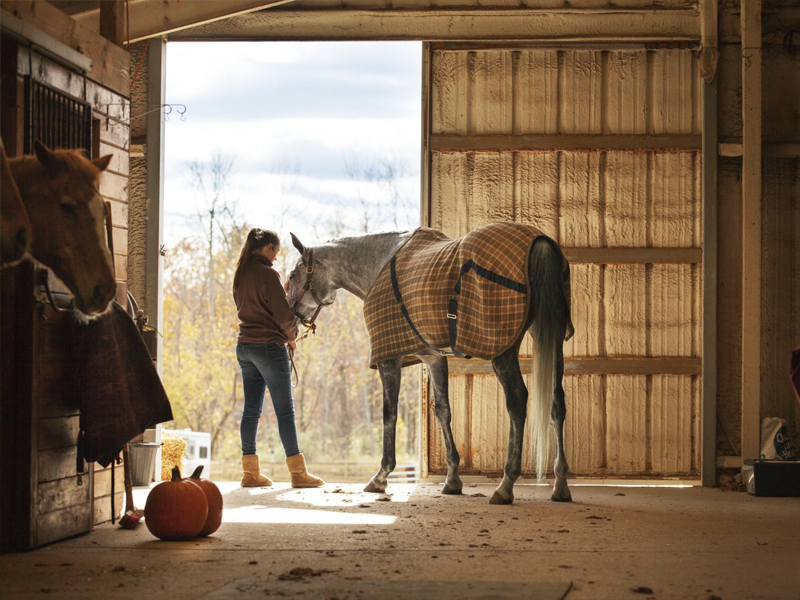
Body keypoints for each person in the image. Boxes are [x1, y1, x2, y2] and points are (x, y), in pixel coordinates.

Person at [232, 228, 324, 488]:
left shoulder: (240, 273)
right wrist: (292, 335)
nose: (275, 258)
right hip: (269, 348)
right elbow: (283, 315)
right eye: (275, 251)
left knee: (251, 410)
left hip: (245, 346)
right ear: (267, 248)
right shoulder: (268, 274)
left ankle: (250, 474)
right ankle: (298, 473)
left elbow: (255, 306)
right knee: (285, 411)